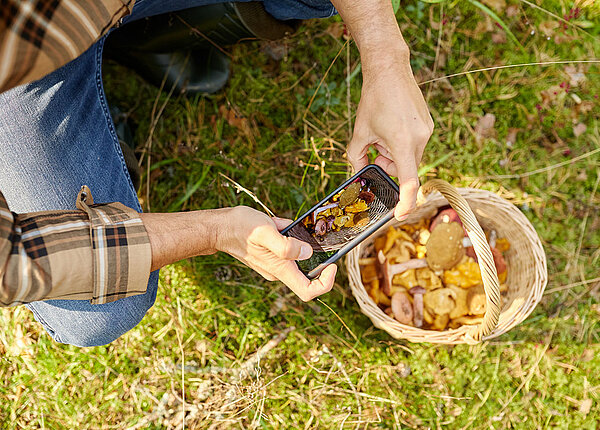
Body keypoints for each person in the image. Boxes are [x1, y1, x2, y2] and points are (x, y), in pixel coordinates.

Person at [0, 0, 433, 346]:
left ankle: (144, 32)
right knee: (100, 312)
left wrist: (386, 57)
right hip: (17, 76)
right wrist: (216, 230)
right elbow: (15, 260)